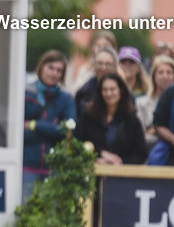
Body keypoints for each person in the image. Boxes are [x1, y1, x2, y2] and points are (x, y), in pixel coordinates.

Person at [23, 50, 77, 197]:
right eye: (51, 68)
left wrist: (35, 125)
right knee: (25, 212)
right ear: (41, 67)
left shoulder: (66, 99)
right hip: (26, 167)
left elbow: (67, 130)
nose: (54, 73)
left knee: (51, 216)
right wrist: (51, 129)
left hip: (53, 169)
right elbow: (20, 132)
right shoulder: (26, 94)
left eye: (59, 70)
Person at [75, 72, 147, 165]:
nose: (109, 93)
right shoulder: (88, 117)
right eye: (105, 90)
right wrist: (100, 154)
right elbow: (77, 141)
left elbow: (141, 153)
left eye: (112, 89)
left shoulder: (132, 120)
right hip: (92, 169)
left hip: (122, 173)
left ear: (120, 91)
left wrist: (119, 162)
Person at [136, 55, 174, 152]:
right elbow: (138, 137)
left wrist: (153, 130)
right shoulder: (141, 104)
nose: (165, 76)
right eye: (160, 72)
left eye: (169, 73)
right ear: (154, 77)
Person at [74, 46, 118, 119]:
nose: (103, 68)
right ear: (94, 65)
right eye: (99, 63)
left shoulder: (123, 92)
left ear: (115, 67)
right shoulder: (83, 92)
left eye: (108, 64)